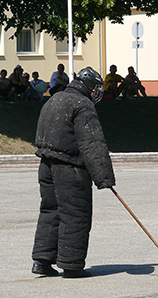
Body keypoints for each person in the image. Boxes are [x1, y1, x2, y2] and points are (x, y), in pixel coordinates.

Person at [31, 67, 115, 279]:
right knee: (75, 213)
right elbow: (92, 143)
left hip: (46, 166)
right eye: (96, 88)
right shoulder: (83, 105)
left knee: (50, 211)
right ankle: (71, 265)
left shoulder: (55, 99)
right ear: (87, 86)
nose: (98, 92)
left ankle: (42, 260)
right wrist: (104, 177)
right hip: (70, 168)